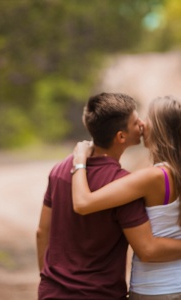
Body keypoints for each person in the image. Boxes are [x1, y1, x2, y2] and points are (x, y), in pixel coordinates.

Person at [37, 92, 181, 300]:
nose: (141, 124)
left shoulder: (61, 170)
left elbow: (46, 229)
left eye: (146, 119)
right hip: (104, 293)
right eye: (136, 121)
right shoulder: (153, 177)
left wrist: (79, 161)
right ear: (121, 136)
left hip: (155, 287)